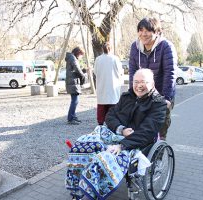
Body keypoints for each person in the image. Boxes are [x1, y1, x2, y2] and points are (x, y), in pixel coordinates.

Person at [65, 69, 167, 199]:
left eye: (144, 82)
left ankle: (93, 190)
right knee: (81, 147)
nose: (139, 85)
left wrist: (122, 145)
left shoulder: (158, 103)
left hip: (137, 142)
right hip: (115, 135)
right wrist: (121, 129)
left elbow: (147, 132)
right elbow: (110, 116)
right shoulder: (126, 97)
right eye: (136, 82)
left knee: (103, 159)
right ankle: (76, 188)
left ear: (152, 83)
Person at [128, 17, 177, 140]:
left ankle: (159, 155)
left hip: (162, 93)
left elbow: (170, 73)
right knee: (141, 127)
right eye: (140, 30)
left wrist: (166, 98)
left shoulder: (166, 46)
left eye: (148, 30)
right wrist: (131, 95)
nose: (144, 34)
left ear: (157, 32)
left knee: (160, 129)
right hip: (144, 94)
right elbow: (132, 73)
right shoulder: (135, 47)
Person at [94, 42, 123, 125]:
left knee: (102, 105)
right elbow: (120, 71)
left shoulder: (98, 59)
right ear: (111, 49)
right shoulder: (115, 59)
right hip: (113, 85)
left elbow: (95, 72)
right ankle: (112, 122)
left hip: (102, 84)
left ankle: (100, 123)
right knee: (113, 104)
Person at [65, 47, 86, 125]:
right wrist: (83, 75)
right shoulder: (73, 58)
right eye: (81, 55)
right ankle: (70, 118)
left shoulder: (71, 58)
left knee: (75, 100)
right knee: (75, 101)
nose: (81, 57)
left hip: (72, 82)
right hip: (73, 82)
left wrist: (83, 70)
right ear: (78, 53)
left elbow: (75, 70)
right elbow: (77, 69)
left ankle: (73, 116)